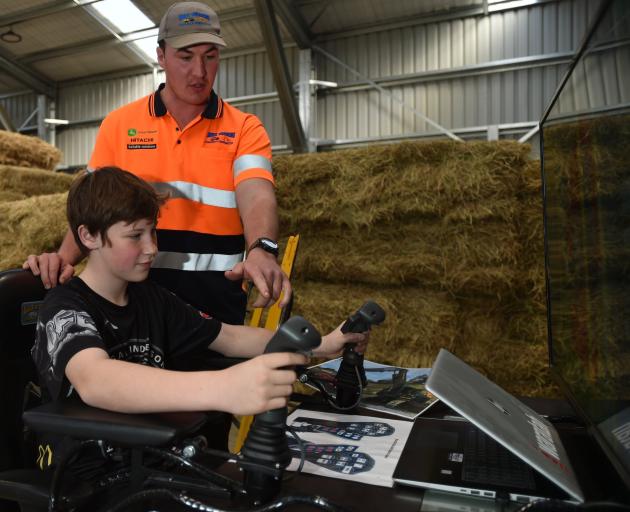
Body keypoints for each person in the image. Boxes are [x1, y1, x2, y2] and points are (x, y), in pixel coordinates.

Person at [30, 167, 368, 475]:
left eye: (153, 232)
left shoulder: (151, 298)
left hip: (153, 461)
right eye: (135, 236)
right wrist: (224, 388)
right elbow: (96, 380)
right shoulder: (64, 306)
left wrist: (324, 344)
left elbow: (231, 337)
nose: (151, 248)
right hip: (85, 477)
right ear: (88, 236)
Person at [24, 1, 287, 325]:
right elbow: (93, 206)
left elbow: (257, 194)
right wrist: (62, 259)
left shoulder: (245, 127)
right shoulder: (120, 125)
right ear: (161, 55)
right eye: (186, 57)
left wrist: (262, 248)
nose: (199, 72)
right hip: (132, 313)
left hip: (215, 314)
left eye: (210, 56)